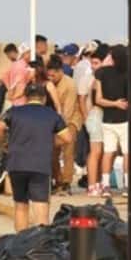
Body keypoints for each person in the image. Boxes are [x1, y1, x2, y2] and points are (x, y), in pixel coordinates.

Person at [0, 84, 71, 231]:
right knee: (40, 206)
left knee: (20, 205)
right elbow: (67, 138)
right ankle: (40, 244)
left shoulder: (14, 111)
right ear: (44, 98)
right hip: (40, 165)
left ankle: (20, 242)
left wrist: (4, 143)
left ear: (26, 97)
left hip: (17, 164)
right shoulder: (52, 114)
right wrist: (50, 141)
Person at [95, 44, 129, 196]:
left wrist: (114, 103)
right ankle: (127, 186)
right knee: (128, 153)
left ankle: (106, 185)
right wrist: (121, 104)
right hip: (125, 119)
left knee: (108, 152)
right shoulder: (130, 73)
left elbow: (98, 99)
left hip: (107, 119)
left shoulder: (101, 73)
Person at [47, 56, 83, 194]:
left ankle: (67, 181)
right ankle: (58, 180)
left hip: (70, 121)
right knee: (52, 153)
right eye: (48, 75)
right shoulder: (49, 83)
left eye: (53, 75)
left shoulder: (70, 84)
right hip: (53, 122)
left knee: (68, 152)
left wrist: (59, 128)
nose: (50, 77)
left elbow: (68, 110)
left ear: (60, 71)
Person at [79, 49, 106, 196]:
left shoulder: (104, 77)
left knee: (103, 152)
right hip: (94, 117)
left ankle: (98, 182)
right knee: (95, 151)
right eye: (93, 63)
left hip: (104, 118)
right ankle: (91, 185)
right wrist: (86, 118)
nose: (94, 66)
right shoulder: (88, 79)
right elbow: (81, 99)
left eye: (97, 63)